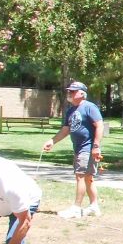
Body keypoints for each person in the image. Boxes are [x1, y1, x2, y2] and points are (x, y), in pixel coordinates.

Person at [42, 81, 105, 220]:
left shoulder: (89, 107)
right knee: (88, 178)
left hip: (87, 148)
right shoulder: (70, 111)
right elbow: (65, 130)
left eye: (73, 91)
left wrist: (96, 146)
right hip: (79, 148)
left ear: (82, 94)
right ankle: (94, 206)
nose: (70, 94)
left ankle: (76, 209)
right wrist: (52, 141)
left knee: (80, 176)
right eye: (69, 91)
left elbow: (99, 126)